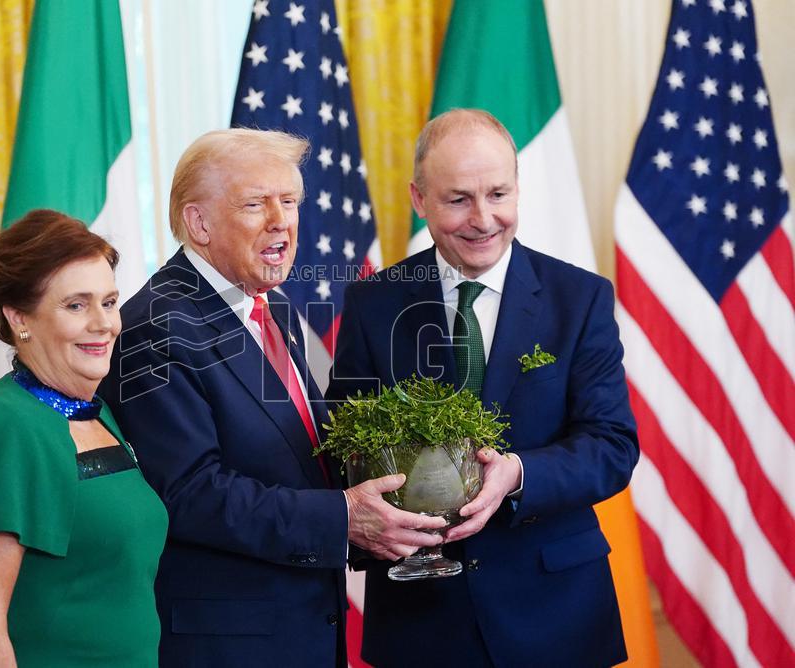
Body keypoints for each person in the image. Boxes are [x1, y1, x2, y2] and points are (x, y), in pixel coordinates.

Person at [99, 128, 446, 667]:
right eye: (256, 204)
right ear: (199, 223)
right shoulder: (156, 326)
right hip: (229, 642)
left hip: (298, 626)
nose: (281, 220)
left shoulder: (270, 307)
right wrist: (341, 518)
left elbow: (298, 458)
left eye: (289, 201)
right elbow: (189, 493)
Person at [326, 109, 639, 667]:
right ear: (419, 200)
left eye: (498, 194)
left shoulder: (580, 297)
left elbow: (612, 446)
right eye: (458, 199)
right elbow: (345, 448)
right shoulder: (373, 304)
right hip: (422, 622)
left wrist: (518, 473)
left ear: (518, 188)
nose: (483, 218)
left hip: (556, 615)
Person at [0, 209, 167, 667]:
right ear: (19, 317)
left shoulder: (97, 413)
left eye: (109, 302)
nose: (104, 324)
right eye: (76, 305)